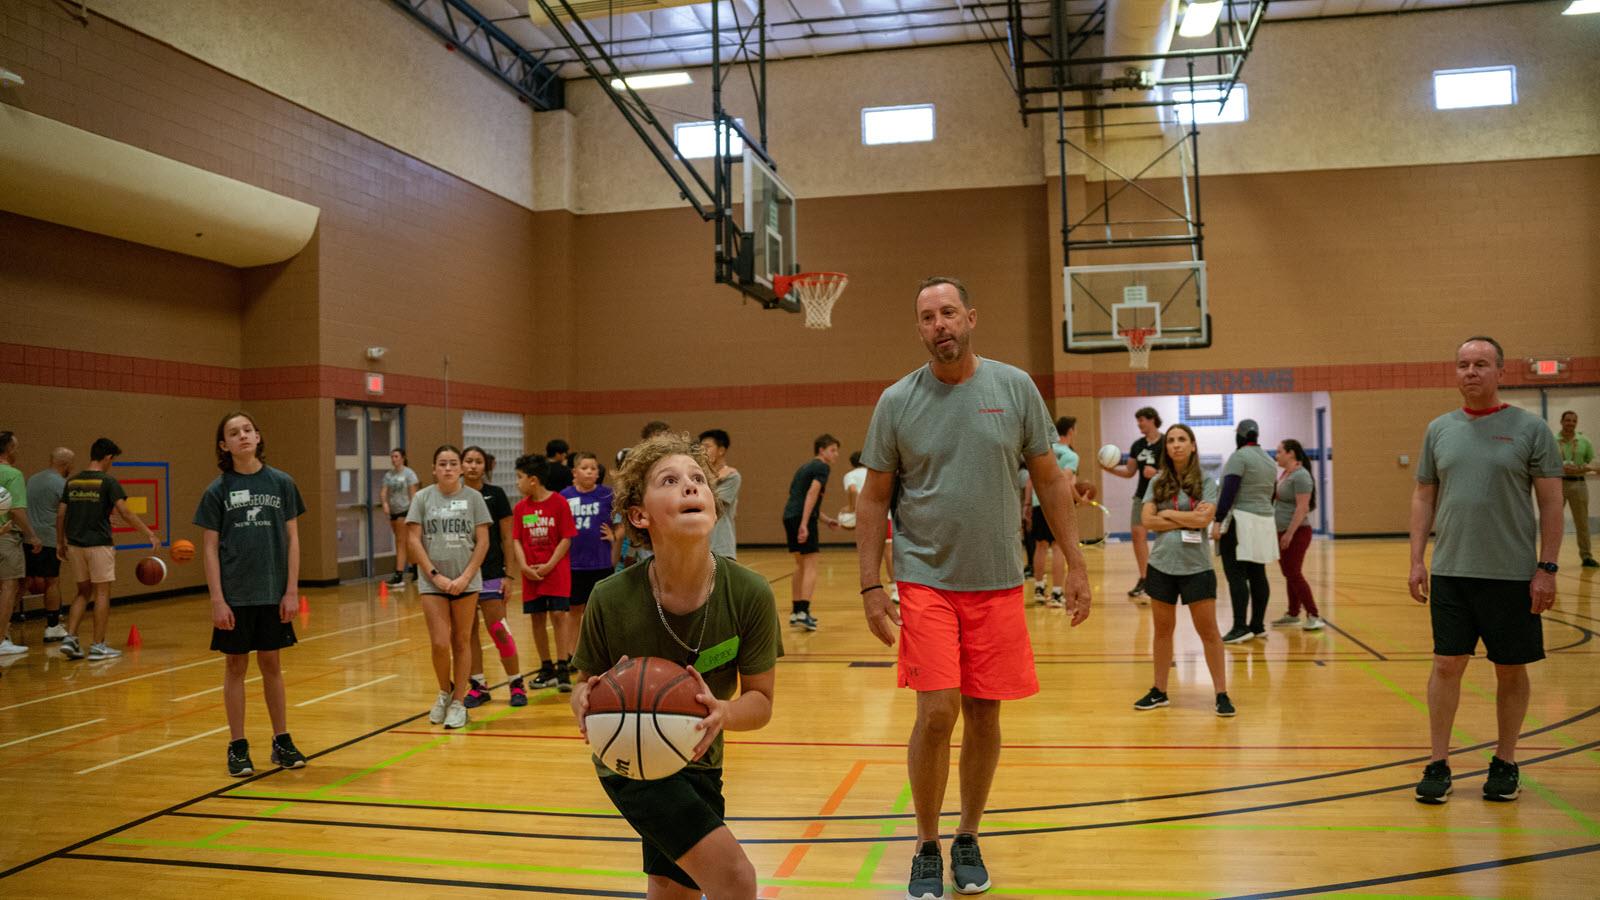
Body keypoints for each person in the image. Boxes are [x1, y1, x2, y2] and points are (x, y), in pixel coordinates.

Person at [856, 277, 1091, 900]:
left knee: (985, 713)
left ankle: (967, 835)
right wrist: (870, 586)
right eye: (927, 316)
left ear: (972, 318)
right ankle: (926, 843)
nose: (940, 325)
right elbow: (874, 496)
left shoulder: (1014, 388)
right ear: (920, 328)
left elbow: (1050, 480)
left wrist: (1076, 563)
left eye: (949, 313)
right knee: (937, 711)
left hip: (997, 581)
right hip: (925, 578)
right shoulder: (897, 401)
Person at [569, 433, 780, 900]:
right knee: (736, 879)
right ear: (640, 515)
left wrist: (723, 713)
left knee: (672, 889)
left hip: (702, 761)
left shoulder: (749, 593)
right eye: (670, 480)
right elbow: (583, 688)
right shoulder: (609, 597)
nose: (690, 487)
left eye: (698, 479)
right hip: (629, 763)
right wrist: (581, 699)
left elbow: (761, 703)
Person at [1409, 336, 1563, 805]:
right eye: (1462, 365)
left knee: (1510, 670)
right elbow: (1423, 496)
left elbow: (1552, 501)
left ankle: (1506, 761)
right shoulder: (1439, 429)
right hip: (1453, 572)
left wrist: (1547, 567)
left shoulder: (1530, 429)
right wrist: (1417, 558)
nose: (1470, 372)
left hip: (1513, 574)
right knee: (1445, 664)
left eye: (1480, 364)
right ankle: (1438, 762)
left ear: (1500, 371)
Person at [194, 411, 308, 776]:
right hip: (235, 594)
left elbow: (292, 539)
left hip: (273, 593)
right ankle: (238, 746)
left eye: (247, 430)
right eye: (233, 432)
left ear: (258, 437)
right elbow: (210, 548)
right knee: (235, 666)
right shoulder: (217, 491)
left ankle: (281, 740)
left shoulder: (282, 483)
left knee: (272, 664)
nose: (242, 436)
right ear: (223, 445)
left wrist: (291, 591)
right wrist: (217, 599)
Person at [1133, 423, 1233, 717]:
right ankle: (1159, 690)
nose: (1176, 444)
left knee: (1209, 632)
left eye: (1182, 440)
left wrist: (1168, 513)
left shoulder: (1207, 481)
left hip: (1196, 567)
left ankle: (1221, 693)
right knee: (1163, 631)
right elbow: (1147, 521)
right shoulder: (1157, 481)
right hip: (1161, 565)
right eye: (1171, 440)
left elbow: (1204, 521)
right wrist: (1188, 517)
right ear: (1166, 448)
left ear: (1192, 445)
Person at [406, 445, 491, 729]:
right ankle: (444, 691)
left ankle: (459, 701)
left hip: (466, 581)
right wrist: (434, 575)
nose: (448, 468)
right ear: (434, 469)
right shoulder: (422, 497)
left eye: (453, 463)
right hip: (433, 583)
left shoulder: (474, 498)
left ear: (460, 468)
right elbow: (414, 540)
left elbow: (483, 541)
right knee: (440, 643)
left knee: (461, 640)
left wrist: (466, 577)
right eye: (442, 464)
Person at [58, 437, 159, 660]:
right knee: (102, 592)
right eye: (112, 460)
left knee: (83, 592)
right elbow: (126, 512)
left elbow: (62, 514)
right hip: (99, 545)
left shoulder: (72, 482)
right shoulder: (108, 482)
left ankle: (71, 638)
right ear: (108, 457)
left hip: (74, 545)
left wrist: (59, 542)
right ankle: (98, 645)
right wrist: (149, 533)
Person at [460, 447, 525, 709]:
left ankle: (516, 682)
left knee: (499, 630)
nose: (473, 466)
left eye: (478, 462)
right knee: (467, 634)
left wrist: (508, 575)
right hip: (461, 576)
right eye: (469, 461)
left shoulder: (496, 495)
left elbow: (507, 538)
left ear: (485, 466)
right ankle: (478, 685)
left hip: (491, 574)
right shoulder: (453, 497)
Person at [512, 454, 577, 691]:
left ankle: (562, 669)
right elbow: (517, 540)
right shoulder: (520, 508)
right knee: (537, 619)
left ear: (533, 480)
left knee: (559, 616)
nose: (517, 483)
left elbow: (567, 538)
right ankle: (546, 667)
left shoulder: (559, 503)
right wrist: (524, 566)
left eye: (519, 478)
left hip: (556, 570)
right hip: (531, 574)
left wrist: (550, 564)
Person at [1215, 419, 1280, 644]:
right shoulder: (1270, 461)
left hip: (1241, 521)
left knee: (1236, 576)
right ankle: (1257, 625)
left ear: (1240, 435)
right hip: (1264, 521)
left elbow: (1229, 492)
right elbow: (1273, 494)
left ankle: (1240, 626)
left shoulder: (1239, 457)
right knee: (1257, 573)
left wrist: (1217, 520)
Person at [1023, 416, 1088, 608]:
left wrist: (1027, 504)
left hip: (1037, 502)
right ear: (1070, 431)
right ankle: (1058, 592)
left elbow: (1029, 480)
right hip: (1056, 504)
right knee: (1058, 547)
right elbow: (1065, 481)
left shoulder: (1046, 451)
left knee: (1040, 546)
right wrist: (1079, 499)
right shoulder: (1070, 455)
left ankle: (1039, 588)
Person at [1102, 407, 1164, 600]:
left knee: (1165, 537)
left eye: (1142, 420)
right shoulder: (1137, 445)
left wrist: (1157, 474)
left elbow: (1175, 472)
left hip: (1163, 497)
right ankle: (1145, 578)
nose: (1139, 424)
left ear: (1153, 420)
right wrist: (1108, 469)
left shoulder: (1166, 442)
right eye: (1138, 421)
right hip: (1142, 496)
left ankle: (1164, 579)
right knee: (1138, 535)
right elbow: (1129, 472)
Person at [782, 434, 841, 631]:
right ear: (821, 450)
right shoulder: (822, 467)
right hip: (800, 518)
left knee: (800, 565)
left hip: (790, 515)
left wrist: (824, 520)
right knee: (811, 564)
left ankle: (795, 611)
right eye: (833, 450)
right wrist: (805, 524)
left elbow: (799, 497)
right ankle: (803, 612)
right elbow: (812, 494)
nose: (836, 454)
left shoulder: (804, 468)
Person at [0, 431, 45, 655]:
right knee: (10, 587)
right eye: (15, 447)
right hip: (6, 537)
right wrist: (32, 535)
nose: (17, 451)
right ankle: (0, 640)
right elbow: (16, 510)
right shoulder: (13, 474)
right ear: (8, 450)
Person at [1270, 439, 1322, 630]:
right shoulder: (1286, 474)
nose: (1277, 455)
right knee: (1288, 573)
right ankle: (1293, 613)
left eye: (1279, 452)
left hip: (1297, 532)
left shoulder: (1301, 476)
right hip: (1282, 530)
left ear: (1290, 453)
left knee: (1293, 573)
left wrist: (1289, 534)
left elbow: (1302, 508)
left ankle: (1314, 614)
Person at [561, 451, 615, 629]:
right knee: (574, 610)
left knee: (600, 612)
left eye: (593, 468)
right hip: (573, 564)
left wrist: (615, 534)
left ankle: (600, 654)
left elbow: (624, 519)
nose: (589, 472)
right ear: (575, 472)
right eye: (584, 468)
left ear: (598, 473)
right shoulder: (564, 496)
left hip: (601, 563)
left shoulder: (608, 495)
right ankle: (573, 654)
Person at [25, 446, 74, 642]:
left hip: (27, 537)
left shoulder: (32, 479)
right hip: (48, 539)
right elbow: (66, 515)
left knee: (20, 583)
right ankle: (53, 626)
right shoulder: (62, 485)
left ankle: (5, 628)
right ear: (66, 464)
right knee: (52, 581)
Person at [841, 451, 896, 603]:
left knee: (868, 552)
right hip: (885, 516)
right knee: (889, 552)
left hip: (867, 519)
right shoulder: (873, 473)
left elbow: (853, 490)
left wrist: (853, 508)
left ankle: (872, 588)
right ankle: (895, 589)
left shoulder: (850, 475)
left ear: (851, 463)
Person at [1556, 411, 1596, 567]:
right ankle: (1551, 559)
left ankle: (1586, 557)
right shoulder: (1553, 440)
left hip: (1579, 484)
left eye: (1573, 421)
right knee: (1554, 522)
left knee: (1582, 523)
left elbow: (1593, 462)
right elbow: (1547, 462)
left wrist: (1582, 469)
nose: (1570, 423)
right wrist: (1562, 468)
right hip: (1558, 484)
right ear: (1561, 421)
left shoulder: (1584, 441)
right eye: (1567, 420)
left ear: (1576, 423)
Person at [697, 430, 740, 559]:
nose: (702, 450)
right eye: (700, 447)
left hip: (720, 544)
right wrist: (714, 479)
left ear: (721, 450)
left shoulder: (732, 476)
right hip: (699, 545)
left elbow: (710, 504)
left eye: (707, 447)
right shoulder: (698, 476)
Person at [380, 448, 419, 586]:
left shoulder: (409, 474)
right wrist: (385, 503)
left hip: (405, 510)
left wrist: (414, 512)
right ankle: (416, 568)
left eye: (396, 456)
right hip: (394, 510)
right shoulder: (389, 475)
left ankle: (399, 574)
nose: (393, 459)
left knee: (400, 542)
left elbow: (413, 494)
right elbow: (384, 491)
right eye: (392, 457)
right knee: (406, 542)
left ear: (403, 458)